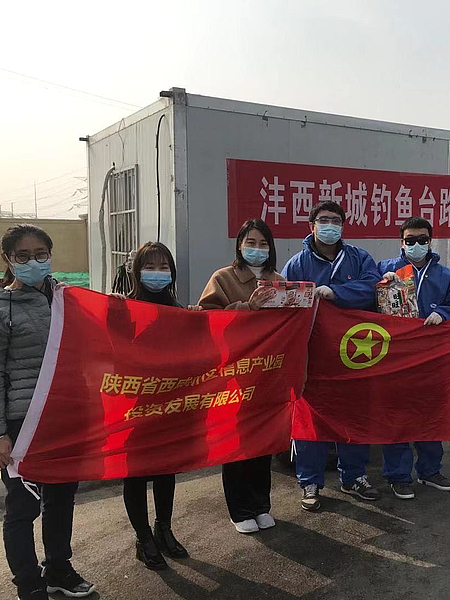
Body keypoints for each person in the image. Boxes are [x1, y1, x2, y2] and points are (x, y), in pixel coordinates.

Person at [0, 224, 95, 600]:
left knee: (61, 499)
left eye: (41, 254)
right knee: (23, 507)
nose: (33, 262)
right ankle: (29, 582)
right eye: (22, 256)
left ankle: (58, 569)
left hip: (64, 418)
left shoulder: (65, 300)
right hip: (22, 424)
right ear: (7, 260)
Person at [281, 201, 382, 511]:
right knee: (311, 420)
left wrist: (336, 293)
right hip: (313, 356)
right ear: (311, 226)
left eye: (336, 221)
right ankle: (310, 482)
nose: (330, 226)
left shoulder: (359, 258)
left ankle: (354, 476)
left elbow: (374, 287)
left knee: (354, 416)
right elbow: (284, 301)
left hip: (353, 353)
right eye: (323, 220)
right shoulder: (297, 264)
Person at [198, 219, 280, 534]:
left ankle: (261, 505)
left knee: (263, 441)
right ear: (240, 246)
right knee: (236, 442)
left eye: (263, 244)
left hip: (267, 372)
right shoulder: (223, 278)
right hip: (234, 373)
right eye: (251, 243)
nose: (257, 249)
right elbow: (207, 319)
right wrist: (247, 307)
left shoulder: (278, 280)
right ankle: (240, 509)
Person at [377, 216, 450, 500]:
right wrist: (380, 285)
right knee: (397, 417)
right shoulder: (385, 269)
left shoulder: (447, 276)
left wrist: (444, 312)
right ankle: (398, 476)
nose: (417, 245)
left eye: (422, 239)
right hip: (396, 357)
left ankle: (430, 470)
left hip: (432, 357)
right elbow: (365, 303)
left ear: (430, 241)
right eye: (411, 240)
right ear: (401, 242)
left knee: (430, 415)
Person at [118, 242, 194, 570]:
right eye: (150, 267)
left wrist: (198, 322)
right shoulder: (123, 307)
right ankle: (143, 538)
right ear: (137, 271)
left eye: (164, 267)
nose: (158, 273)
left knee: (165, 469)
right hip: (133, 406)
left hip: (168, 405)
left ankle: (164, 529)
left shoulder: (178, 310)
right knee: (135, 473)